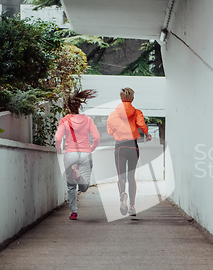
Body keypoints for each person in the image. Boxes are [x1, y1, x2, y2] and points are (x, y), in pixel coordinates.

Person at [55, 89, 100, 220]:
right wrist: (91, 148)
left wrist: (58, 148)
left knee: (70, 186)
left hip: (70, 154)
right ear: (79, 105)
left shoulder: (64, 120)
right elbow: (96, 137)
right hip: (85, 153)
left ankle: (74, 212)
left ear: (68, 106)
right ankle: (81, 179)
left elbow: (58, 138)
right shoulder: (88, 120)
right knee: (84, 187)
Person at [107, 87, 152, 216]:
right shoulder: (137, 112)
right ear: (132, 98)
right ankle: (132, 206)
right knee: (131, 177)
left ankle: (122, 195)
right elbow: (142, 125)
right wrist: (147, 134)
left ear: (121, 98)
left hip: (119, 147)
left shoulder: (113, 114)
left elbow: (110, 131)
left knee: (121, 176)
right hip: (133, 146)